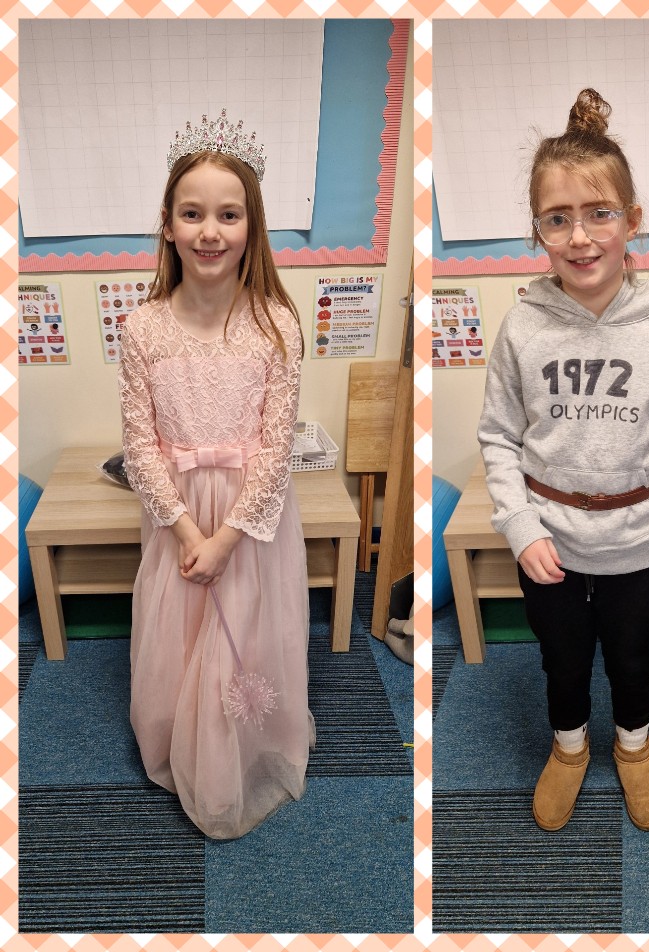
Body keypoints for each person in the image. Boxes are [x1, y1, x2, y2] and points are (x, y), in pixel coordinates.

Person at [478, 89, 649, 832]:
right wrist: (519, 527)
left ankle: (633, 745)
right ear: (537, 231)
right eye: (556, 219)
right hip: (551, 542)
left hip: (638, 540)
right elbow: (498, 436)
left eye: (599, 214)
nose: (580, 237)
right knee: (562, 662)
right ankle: (569, 749)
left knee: (632, 658)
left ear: (632, 220)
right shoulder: (522, 326)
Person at [120, 110, 312, 839]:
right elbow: (140, 446)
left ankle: (244, 743)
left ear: (250, 226)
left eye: (229, 215)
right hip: (177, 515)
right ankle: (182, 739)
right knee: (178, 628)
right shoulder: (142, 327)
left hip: (248, 519)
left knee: (248, 628)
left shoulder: (276, 324)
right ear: (168, 225)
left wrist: (227, 538)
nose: (210, 231)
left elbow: (276, 447)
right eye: (192, 213)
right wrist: (185, 531)